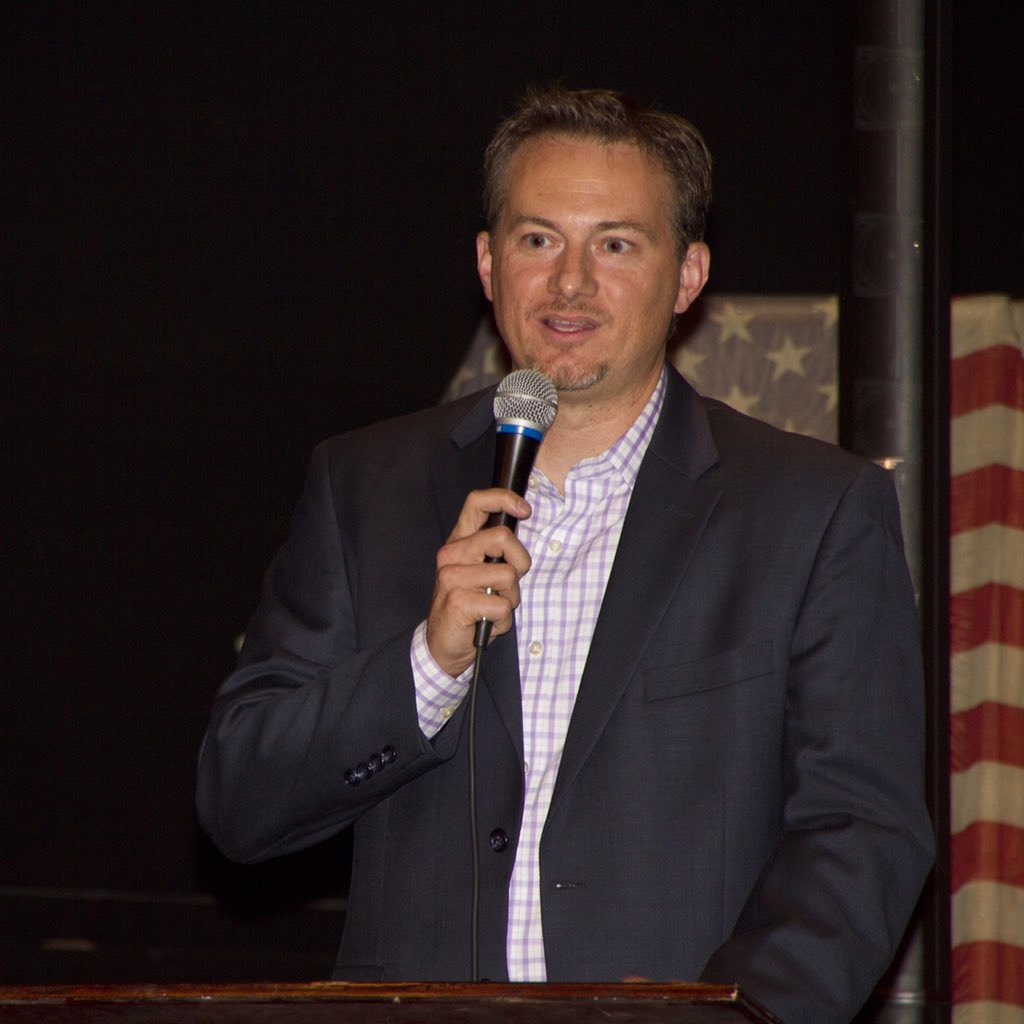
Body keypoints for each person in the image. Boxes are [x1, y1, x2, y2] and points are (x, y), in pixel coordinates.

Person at [196, 87, 934, 1024]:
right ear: (487, 262)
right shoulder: (363, 486)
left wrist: (718, 1018)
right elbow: (240, 799)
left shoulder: (811, 509)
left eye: (616, 245)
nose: (571, 282)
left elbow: (862, 833)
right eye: (539, 239)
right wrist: (427, 666)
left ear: (688, 276)